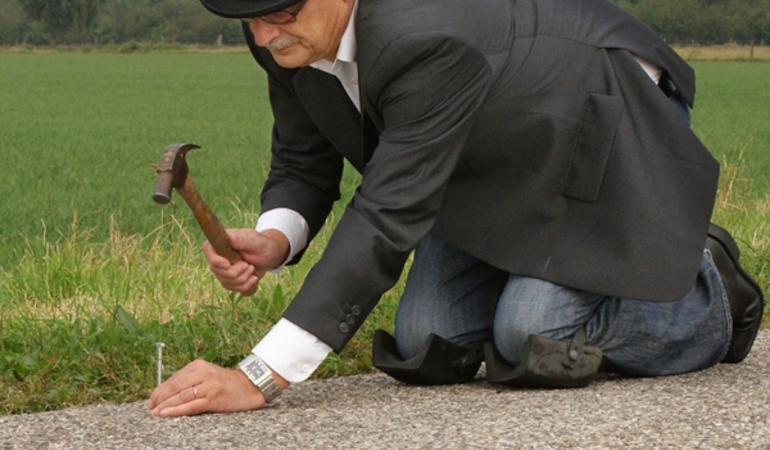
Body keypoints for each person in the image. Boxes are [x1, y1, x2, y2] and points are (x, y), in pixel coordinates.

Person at [148, 0, 765, 417]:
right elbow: (304, 156)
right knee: (427, 339)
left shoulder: (423, 37)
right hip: (487, 144)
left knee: (531, 332)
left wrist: (260, 376)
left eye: (280, 11)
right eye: (250, 17)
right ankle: (562, 270)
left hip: (596, 114)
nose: (262, 34)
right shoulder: (277, 32)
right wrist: (277, 238)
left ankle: (705, 291)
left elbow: (388, 214)